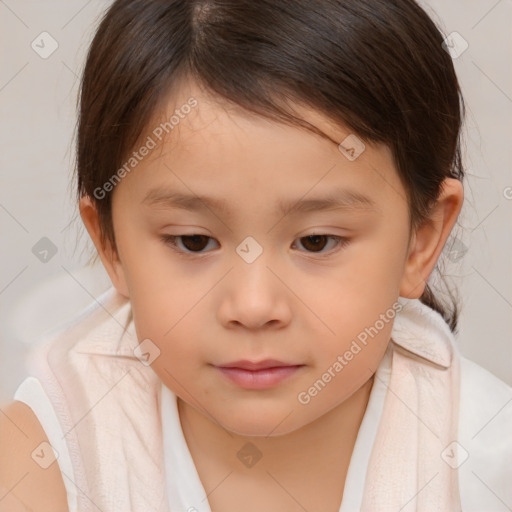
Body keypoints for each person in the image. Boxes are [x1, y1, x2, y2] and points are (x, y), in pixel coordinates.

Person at [1, 0, 511, 511]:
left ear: (420, 240)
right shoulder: (47, 458)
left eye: (316, 241)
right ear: (110, 244)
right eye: (194, 242)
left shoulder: (485, 459)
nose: (252, 306)